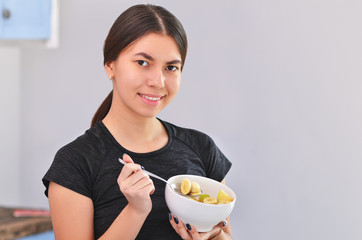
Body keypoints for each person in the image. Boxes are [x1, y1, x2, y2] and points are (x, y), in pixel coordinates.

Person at [42, 4, 233, 240]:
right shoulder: (74, 163)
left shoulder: (202, 149)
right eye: (143, 62)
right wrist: (135, 210)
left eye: (171, 67)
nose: (158, 81)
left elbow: (224, 235)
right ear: (110, 65)